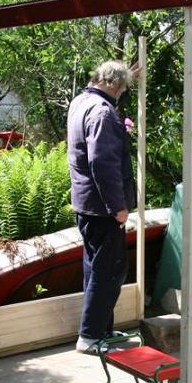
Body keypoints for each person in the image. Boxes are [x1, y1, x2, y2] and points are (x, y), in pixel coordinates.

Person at [67, 59, 137, 353]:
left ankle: (101, 330)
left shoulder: (80, 102)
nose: (121, 94)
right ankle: (90, 336)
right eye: (122, 89)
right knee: (110, 271)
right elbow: (102, 163)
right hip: (102, 208)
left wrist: (129, 72)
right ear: (113, 84)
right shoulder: (103, 112)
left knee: (95, 269)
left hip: (86, 204)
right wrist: (117, 206)